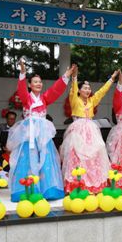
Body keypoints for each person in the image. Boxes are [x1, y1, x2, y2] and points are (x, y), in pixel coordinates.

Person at [7, 60, 75, 202]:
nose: (38, 84)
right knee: (27, 160)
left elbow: (56, 89)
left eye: (40, 82)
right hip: (29, 135)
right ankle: (27, 189)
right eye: (35, 82)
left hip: (42, 135)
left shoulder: (44, 98)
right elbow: (21, 89)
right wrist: (23, 72)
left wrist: (66, 75)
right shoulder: (26, 98)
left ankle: (48, 189)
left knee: (46, 160)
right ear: (30, 85)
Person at [60, 67, 119, 193]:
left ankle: (94, 184)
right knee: (77, 156)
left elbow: (102, 92)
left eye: (89, 88)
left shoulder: (92, 100)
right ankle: (77, 184)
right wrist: (74, 77)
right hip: (78, 132)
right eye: (85, 88)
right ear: (79, 91)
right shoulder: (74, 99)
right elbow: (73, 89)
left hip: (91, 131)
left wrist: (111, 79)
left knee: (95, 156)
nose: (88, 90)